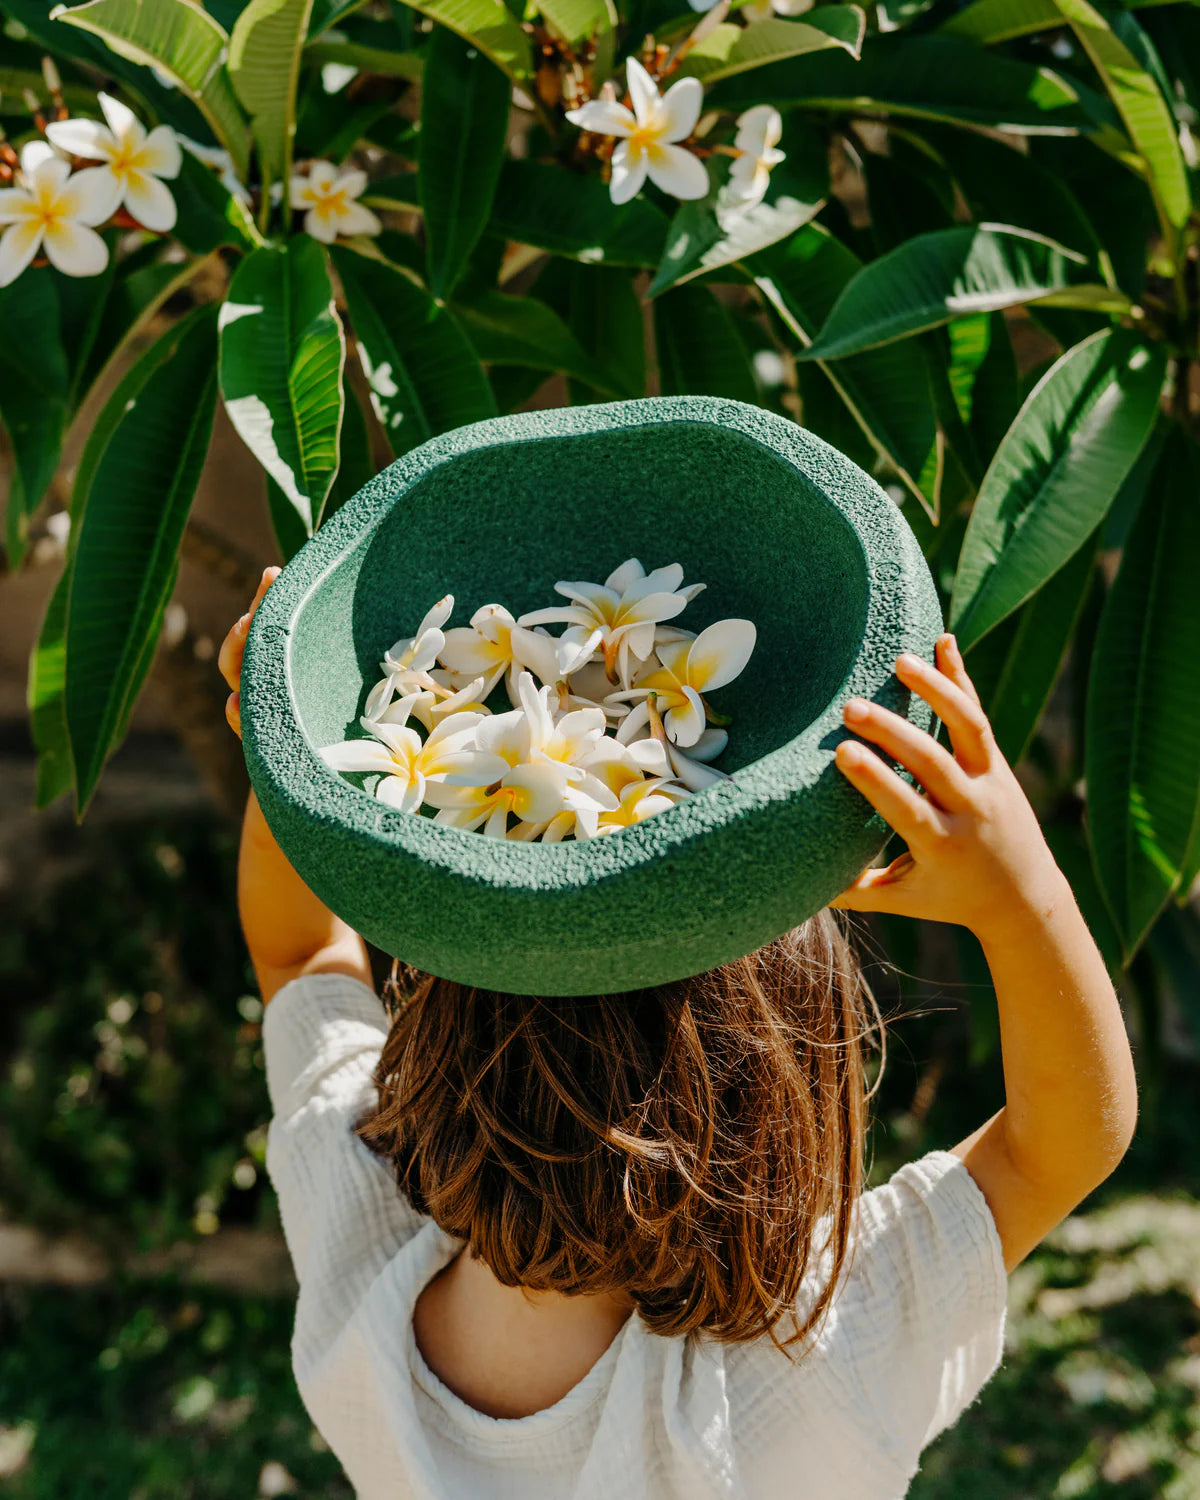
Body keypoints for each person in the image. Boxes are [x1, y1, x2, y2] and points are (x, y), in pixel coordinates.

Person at [219, 565, 1137, 1500]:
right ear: (775, 1098)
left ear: (435, 1037)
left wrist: (295, 751)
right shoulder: (809, 1363)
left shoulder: (360, 1286)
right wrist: (1025, 898)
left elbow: (298, 960)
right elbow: (1059, 1149)